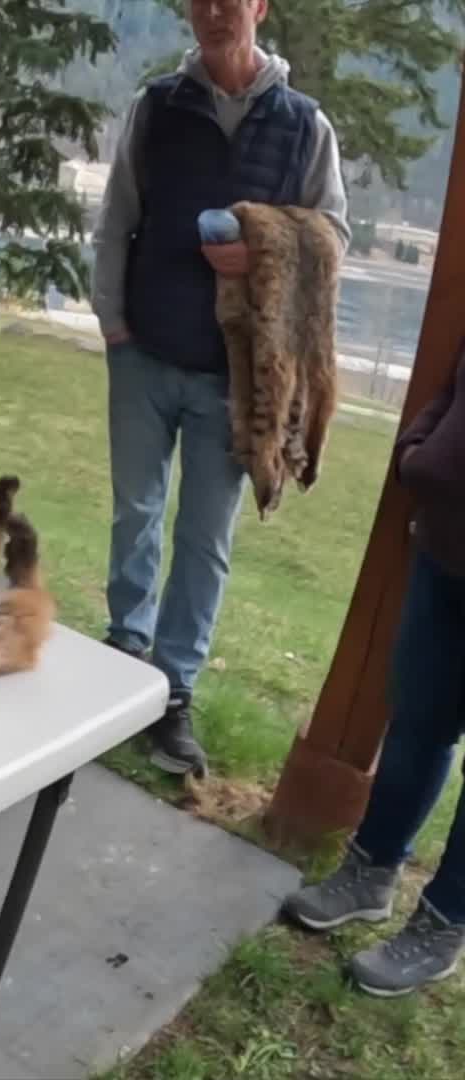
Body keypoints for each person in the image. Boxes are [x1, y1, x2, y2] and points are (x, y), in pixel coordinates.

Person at [90, 0, 348, 777]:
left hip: (239, 373)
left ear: (258, 7)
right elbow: (117, 217)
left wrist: (267, 245)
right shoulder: (157, 107)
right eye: (199, 0)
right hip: (144, 349)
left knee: (205, 539)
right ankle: (124, 655)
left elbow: (332, 233)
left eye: (227, 0)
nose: (211, 13)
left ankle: (172, 694)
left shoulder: (305, 125)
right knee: (135, 511)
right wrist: (113, 323)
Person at [280, 346, 464, 998]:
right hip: (447, 548)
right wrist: (422, 450)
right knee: (417, 722)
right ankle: (372, 869)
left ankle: (443, 924)